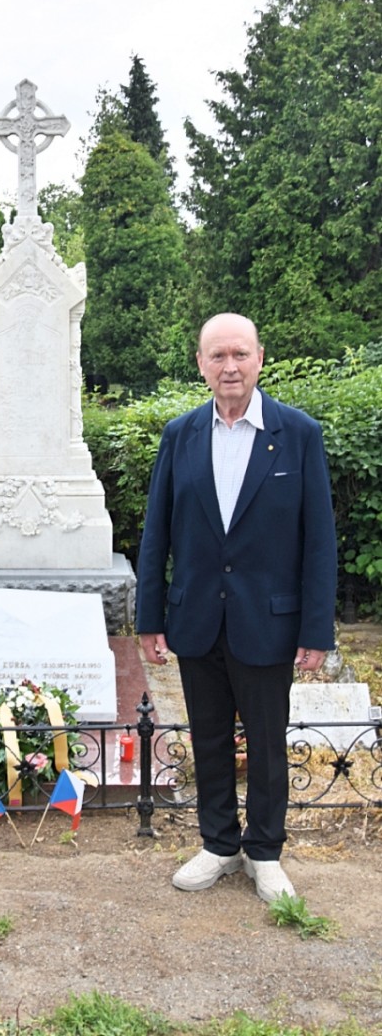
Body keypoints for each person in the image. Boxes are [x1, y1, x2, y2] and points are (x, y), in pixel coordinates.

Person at [136, 313, 337, 902]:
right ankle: (219, 844)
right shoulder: (181, 435)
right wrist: (151, 618)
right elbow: (157, 535)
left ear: (259, 358)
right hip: (196, 617)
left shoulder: (298, 434)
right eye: (217, 356)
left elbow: (318, 539)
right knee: (210, 738)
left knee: (269, 742)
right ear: (200, 363)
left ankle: (266, 852)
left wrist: (316, 628)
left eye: (240, 355)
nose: (230, 367)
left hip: (267, 621)